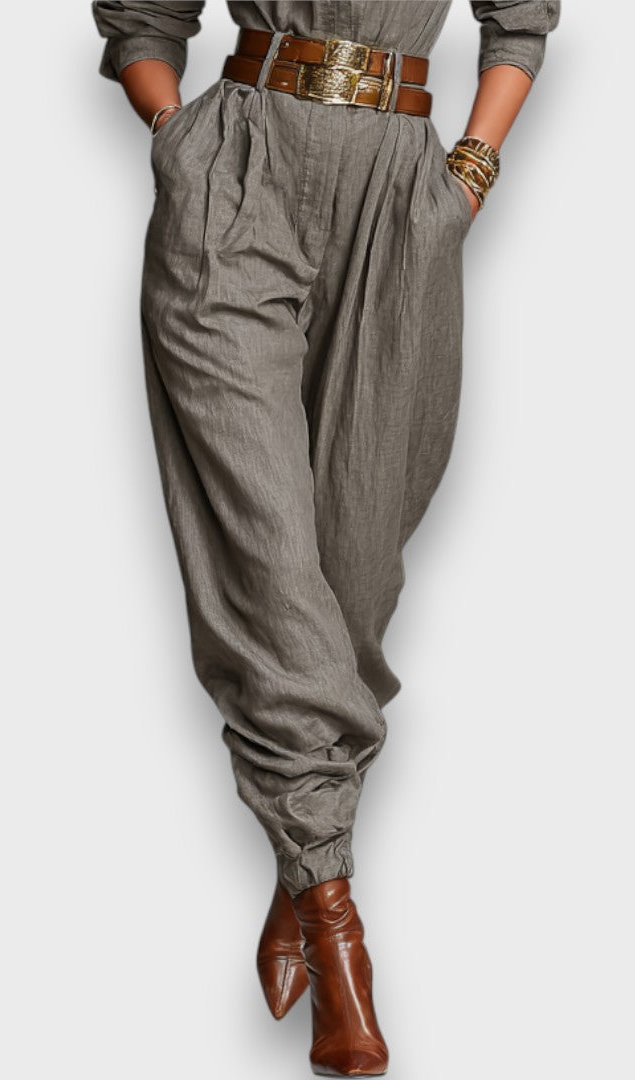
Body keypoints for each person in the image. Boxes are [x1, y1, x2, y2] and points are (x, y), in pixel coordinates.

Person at [91, 2, 560, 1074]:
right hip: (235, 170)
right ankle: (338, 932)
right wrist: (178, 139)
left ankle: (299, 867)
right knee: (264, 561)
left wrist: (468, 176)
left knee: (350, 578)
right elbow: (144, 16)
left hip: (399, 190)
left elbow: (520, 22)